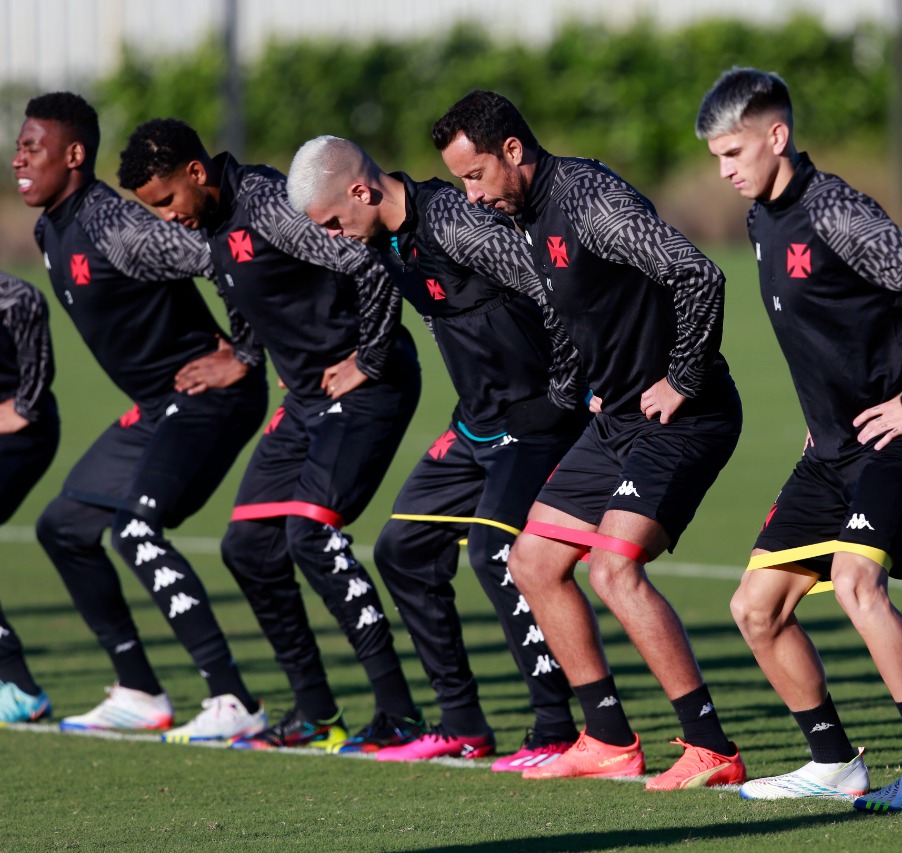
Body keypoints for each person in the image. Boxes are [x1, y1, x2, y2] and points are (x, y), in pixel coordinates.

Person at [432, 90, 746, 790]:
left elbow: (698, 273)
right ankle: (606, 736)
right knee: (533, 560)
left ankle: (709, 745)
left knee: (613, 568)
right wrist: (574, 395)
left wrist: (683, 379)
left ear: (513, 151)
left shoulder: (590, 201)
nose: (471, 195)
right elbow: (570, 311)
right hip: (618, 420)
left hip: (682, 417)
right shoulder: (525, 214)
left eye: (475, 174)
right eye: (459, 182)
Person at [697, 68, 902, 810]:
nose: (723, 171)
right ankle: (832, 762)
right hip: (827, 454)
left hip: (897, 441)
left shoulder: (837, 212)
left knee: (856, 583)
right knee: (755, 608)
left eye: (732, 153)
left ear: (776, 137)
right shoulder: (761, 218)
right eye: (717, 158)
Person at [117, 118, 423, 753]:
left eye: (167, 200)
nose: (167, 216)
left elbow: (367, 263)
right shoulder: (213, 223)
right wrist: (247, 355)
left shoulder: (266, 205)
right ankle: (316, 713)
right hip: (309, 401)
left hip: (365, 389)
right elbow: (247, 291)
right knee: (247, 546)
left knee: (309, 535)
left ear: (197, 175)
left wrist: (368, 359)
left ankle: (400, 713)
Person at [284, 134, 584, 770]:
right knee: (402, 549)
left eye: (335, 222)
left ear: (362, 192)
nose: (334, 236)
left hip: (533, 421)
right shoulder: (385, 240)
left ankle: (557, 725)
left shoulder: (454, 221)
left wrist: (566, 394)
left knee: (494, 553)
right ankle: (462, 723)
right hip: (475, 424)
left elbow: (557, 285)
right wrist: (365, 359)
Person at [14, 92, 268, 742]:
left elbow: (233, 258)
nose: (18, 157)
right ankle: (138, 689)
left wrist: (242, 353)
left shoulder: (113, 227)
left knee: (135, 529)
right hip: (159, 407)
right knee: (64, 526)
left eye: (31, 146)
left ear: (73, 155)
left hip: (212, 397)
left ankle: (232, 697)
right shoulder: (51, 227)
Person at [0, 269, 59, 724]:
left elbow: (25, 296)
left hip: (19, 435)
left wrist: (25, 403)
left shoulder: (11, 298)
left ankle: (18, 687)